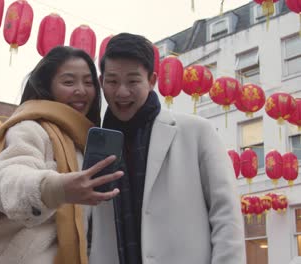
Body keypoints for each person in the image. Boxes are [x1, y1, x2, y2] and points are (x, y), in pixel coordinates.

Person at [0, 46, 123, 264]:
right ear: (47, 86)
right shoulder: (31, 127)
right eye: (69, 82)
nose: (81, 90)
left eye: (88, 82)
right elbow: (5, 179)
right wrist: (55, 188)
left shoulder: (83, 143)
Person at [89, 33, 246, 264]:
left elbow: (226, 215)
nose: (122, 92)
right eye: (112, 81)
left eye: (133, 81)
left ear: (152, 81)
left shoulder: (196, 131)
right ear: (102, 82)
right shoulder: (97, 143)